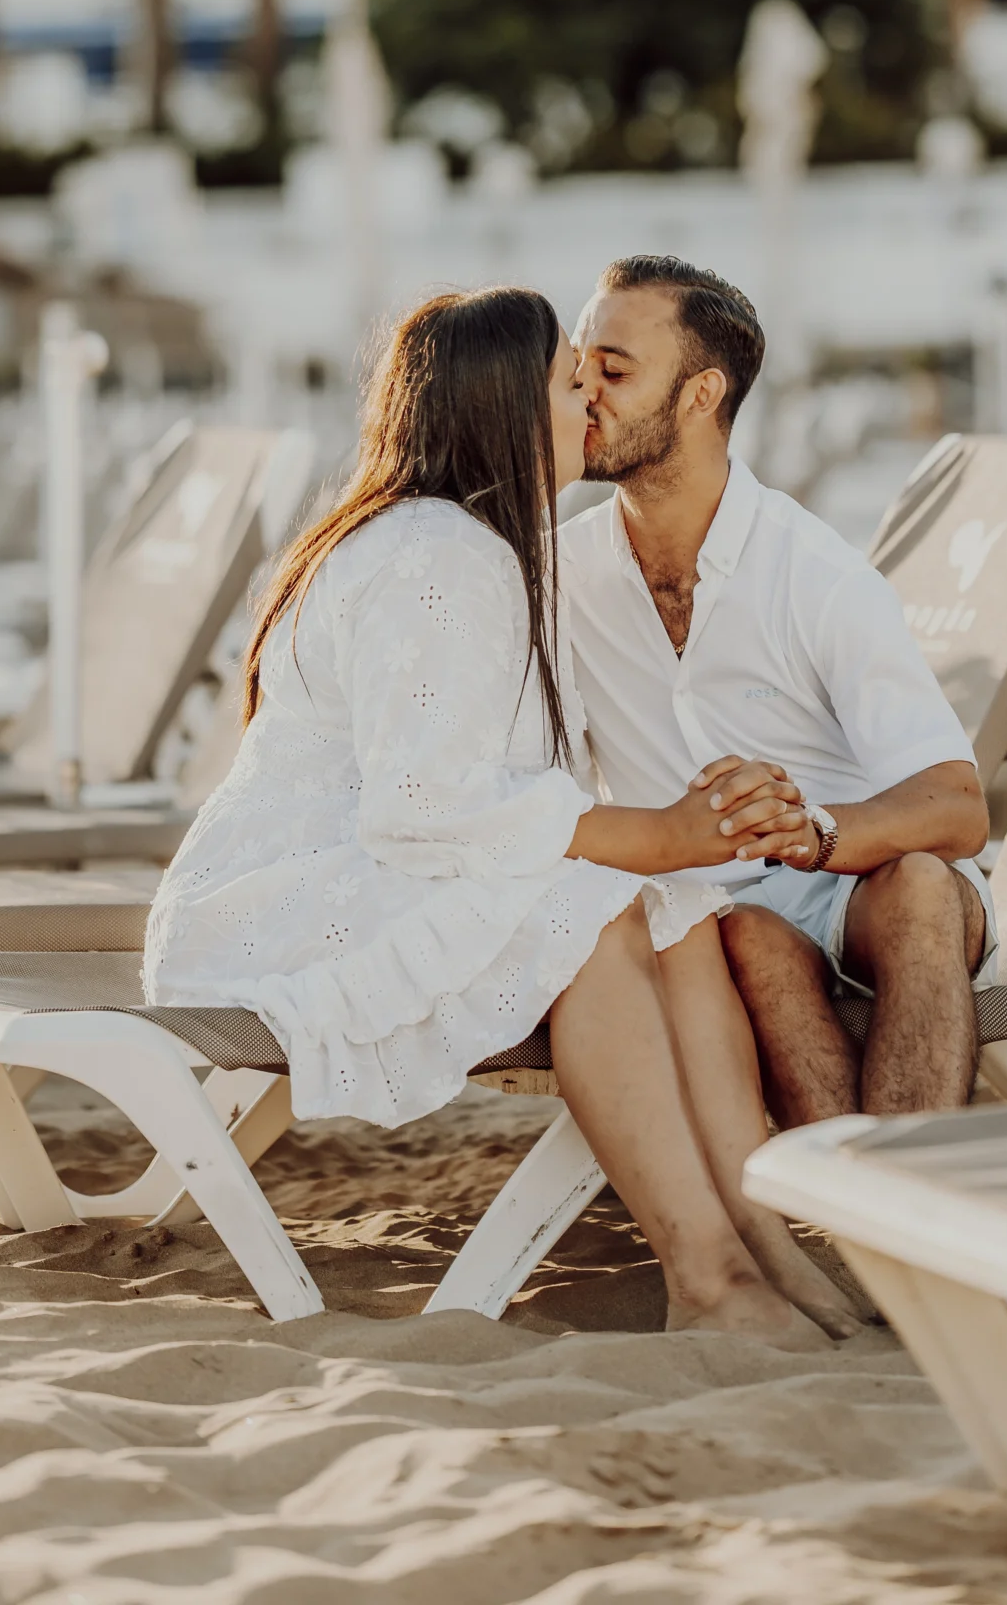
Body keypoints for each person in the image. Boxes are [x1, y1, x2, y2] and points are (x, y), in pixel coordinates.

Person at [145, 284, 859, 1343]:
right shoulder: (436, 554)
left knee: (677, 911)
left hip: (369, 870)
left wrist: (677, 839)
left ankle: (762, 1245)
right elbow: (427, 806)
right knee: (595, 916)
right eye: (573, 384)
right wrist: (659, 833)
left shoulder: (476, 544)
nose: (593, 405)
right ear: (509, 408)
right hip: (281, 909)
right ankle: (707, 1275)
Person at [561, 254, 994, 1128]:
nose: (583, 395)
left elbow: (957, 805)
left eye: (614, 371)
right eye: (578, 368)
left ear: (700, 395)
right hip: (705, 912)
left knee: (920, 886)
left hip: (856, 881)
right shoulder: (559, 577)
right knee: (743, 934)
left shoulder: (817, 573)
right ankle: (859, 1192)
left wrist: (811, 831)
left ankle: (915, 1180)